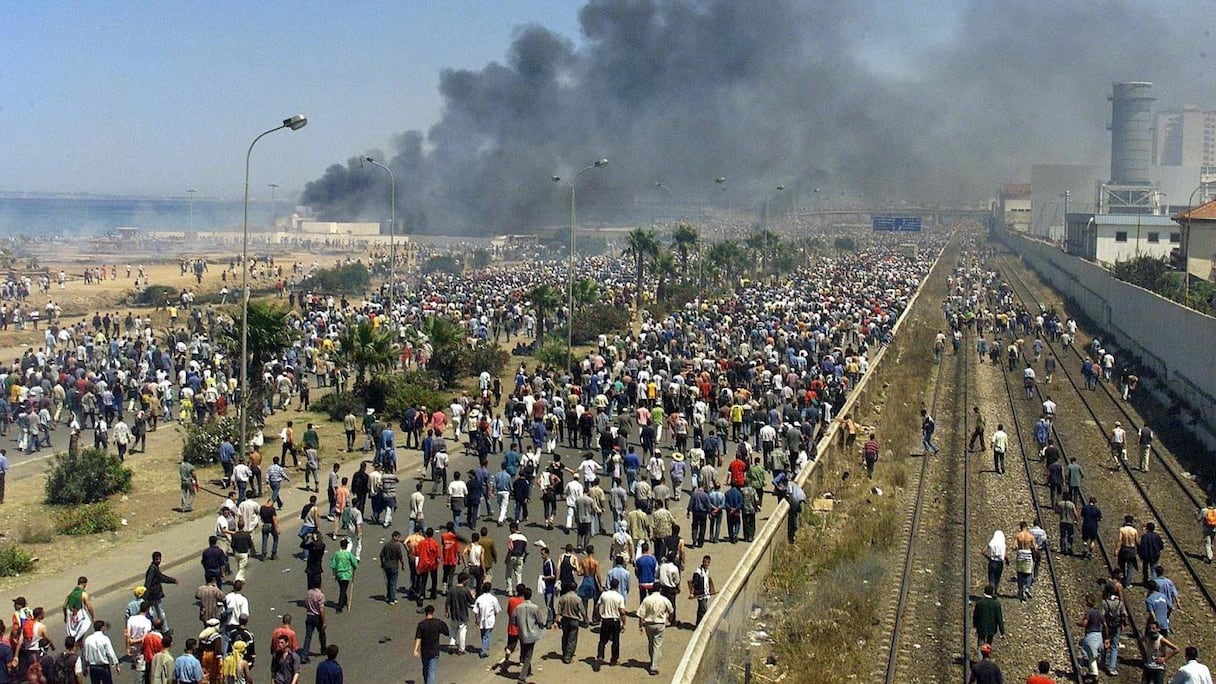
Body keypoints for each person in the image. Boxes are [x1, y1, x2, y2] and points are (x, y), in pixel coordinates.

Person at [637, 588, 674, 677]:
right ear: (660, 590)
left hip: (649, 624)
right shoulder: (664, 600)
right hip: (660, 624)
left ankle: (652, 660)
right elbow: (671, 611)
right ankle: (654, 666)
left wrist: (640, 625)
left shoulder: (647, 599)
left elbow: (641, 614)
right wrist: (670, 618)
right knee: (657, 644)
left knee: (651, 642)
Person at [512, 587, 545, 683]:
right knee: (528, 655)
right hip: (532, 634)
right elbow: (539, 620)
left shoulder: (518, 608)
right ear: (530, 596)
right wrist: (541, 626)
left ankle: (528, 670)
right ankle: (522, 677)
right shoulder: (534, 607)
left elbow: (513, 621)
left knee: (525, 651)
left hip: (522, 634)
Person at [413, 605, 449, 684]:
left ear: (425, 613)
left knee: (425, 670)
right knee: (431, 672)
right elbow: (446, 632)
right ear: (433, 612)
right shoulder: (438, 623)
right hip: (434, 651)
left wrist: (415, 650)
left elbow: (418, 637)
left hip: (424, 651)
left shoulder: (421, 624)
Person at [595, 577, 626, 670]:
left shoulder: (604, 595)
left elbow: (597, 606)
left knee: (602, 640)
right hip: (615, 620)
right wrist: (624, 623)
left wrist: (599, 615)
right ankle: (614, 659)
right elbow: (622, 611)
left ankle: (600, 655)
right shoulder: (619, 597)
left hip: (605, 620)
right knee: (616, 641)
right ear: (617, 586)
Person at [143, 552, 176, 631]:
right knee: (159, 613)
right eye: (157, 559)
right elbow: (152, 581)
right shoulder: (153, 569)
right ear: (154, 559)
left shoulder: (154, 568)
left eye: (159, 559)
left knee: (152, 613)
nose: (159, 561)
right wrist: (173, 580)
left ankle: (154, 629)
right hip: (154, 595)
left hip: (152, 595)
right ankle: (165, 629)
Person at [555, 581, 584, 664]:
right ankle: (568, 657)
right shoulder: (578, 599)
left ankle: (564, 653)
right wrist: (585, 619)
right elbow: (582, 611)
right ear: (576, 588)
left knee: (565, 637)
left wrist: (556, 621)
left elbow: (558, 611)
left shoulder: (563, 598)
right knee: (572, 639)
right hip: (574, 620)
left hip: (564, 620)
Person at [1077, 594, 1105, 680]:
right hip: (1099, 635)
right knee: (1093, 654)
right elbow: (1105, 624)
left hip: (1090, 635)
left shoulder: (1089, 612)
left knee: (1090, 654)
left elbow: (1085, 623)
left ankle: (1093, 673)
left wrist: (1079, 623)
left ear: (1089, 602)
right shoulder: (1099, 612)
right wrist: (1106, 638)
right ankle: (1091, 671)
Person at [472, 581, 500, 658]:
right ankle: (484, 650)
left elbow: (476, 611)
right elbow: (497, 610)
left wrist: (476, 620)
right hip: (490, 620)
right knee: (486, 635)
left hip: (481, 620)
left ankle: (485, 647)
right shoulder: (493, 599)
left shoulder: (479, 599)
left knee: (484, 635)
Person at [62, 576, 95, 642]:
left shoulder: (70, 592)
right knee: (80, 633)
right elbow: (89, 607)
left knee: (73, 634)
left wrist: (65, 616)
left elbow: (64, 606)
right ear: (85, 584)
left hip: (71, 617)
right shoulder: (84, 594)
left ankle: (79, 645)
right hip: (80, 616)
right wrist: (93, 617)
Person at [329, 539, 358, 613]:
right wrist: (354, 566)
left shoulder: (337, 554)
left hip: (338, 574)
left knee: (342, 589)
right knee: (343, 590)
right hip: (346, 574)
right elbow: (355, 564)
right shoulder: (348, 554)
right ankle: (340, 606)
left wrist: (333, 574)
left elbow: (333, 565)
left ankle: (344, 601)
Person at [380, 530, 406, 605]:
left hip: (386, 565)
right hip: (394, 565)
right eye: (398, 537)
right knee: (393, 582)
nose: (398, 539)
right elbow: (400, 557)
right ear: (394, 537)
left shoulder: (386, 545)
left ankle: (389, 595)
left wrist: (382, 563)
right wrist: (403, 565)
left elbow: (381, 555)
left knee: (389, 581)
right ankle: (392, 598)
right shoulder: (397, 546)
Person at [690, 555, 714, 626]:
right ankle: (701, 625)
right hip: (700, 594)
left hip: (706, 594)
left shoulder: (707, 571)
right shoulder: (698, 572)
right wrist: (692, 593)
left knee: (700, 610)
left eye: (708, 562)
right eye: (705, 562)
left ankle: (698, 624)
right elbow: (694, 583)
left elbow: (707, 582)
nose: (706, 564)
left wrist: (710, 590)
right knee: (704, 609)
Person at [982, 531, 1006, 595]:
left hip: (992, 562)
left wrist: (988, 558)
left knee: (991, 577)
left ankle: (991, 591)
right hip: (1000, 563)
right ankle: (995, 590)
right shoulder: (1002, 544)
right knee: (997, 577)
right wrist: (1007, 560)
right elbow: (1004, 555)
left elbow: (983, 551)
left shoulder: (992, 542)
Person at [1200, 499, 1216, 565]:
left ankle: (1209, 557)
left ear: (1206, 503)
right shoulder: (1215, 511)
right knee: (1211, 541)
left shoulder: (1204, 510)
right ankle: (1211, 552)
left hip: (1206, 528)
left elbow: (1199, 518)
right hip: (1214, 528)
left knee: (1207, 543)